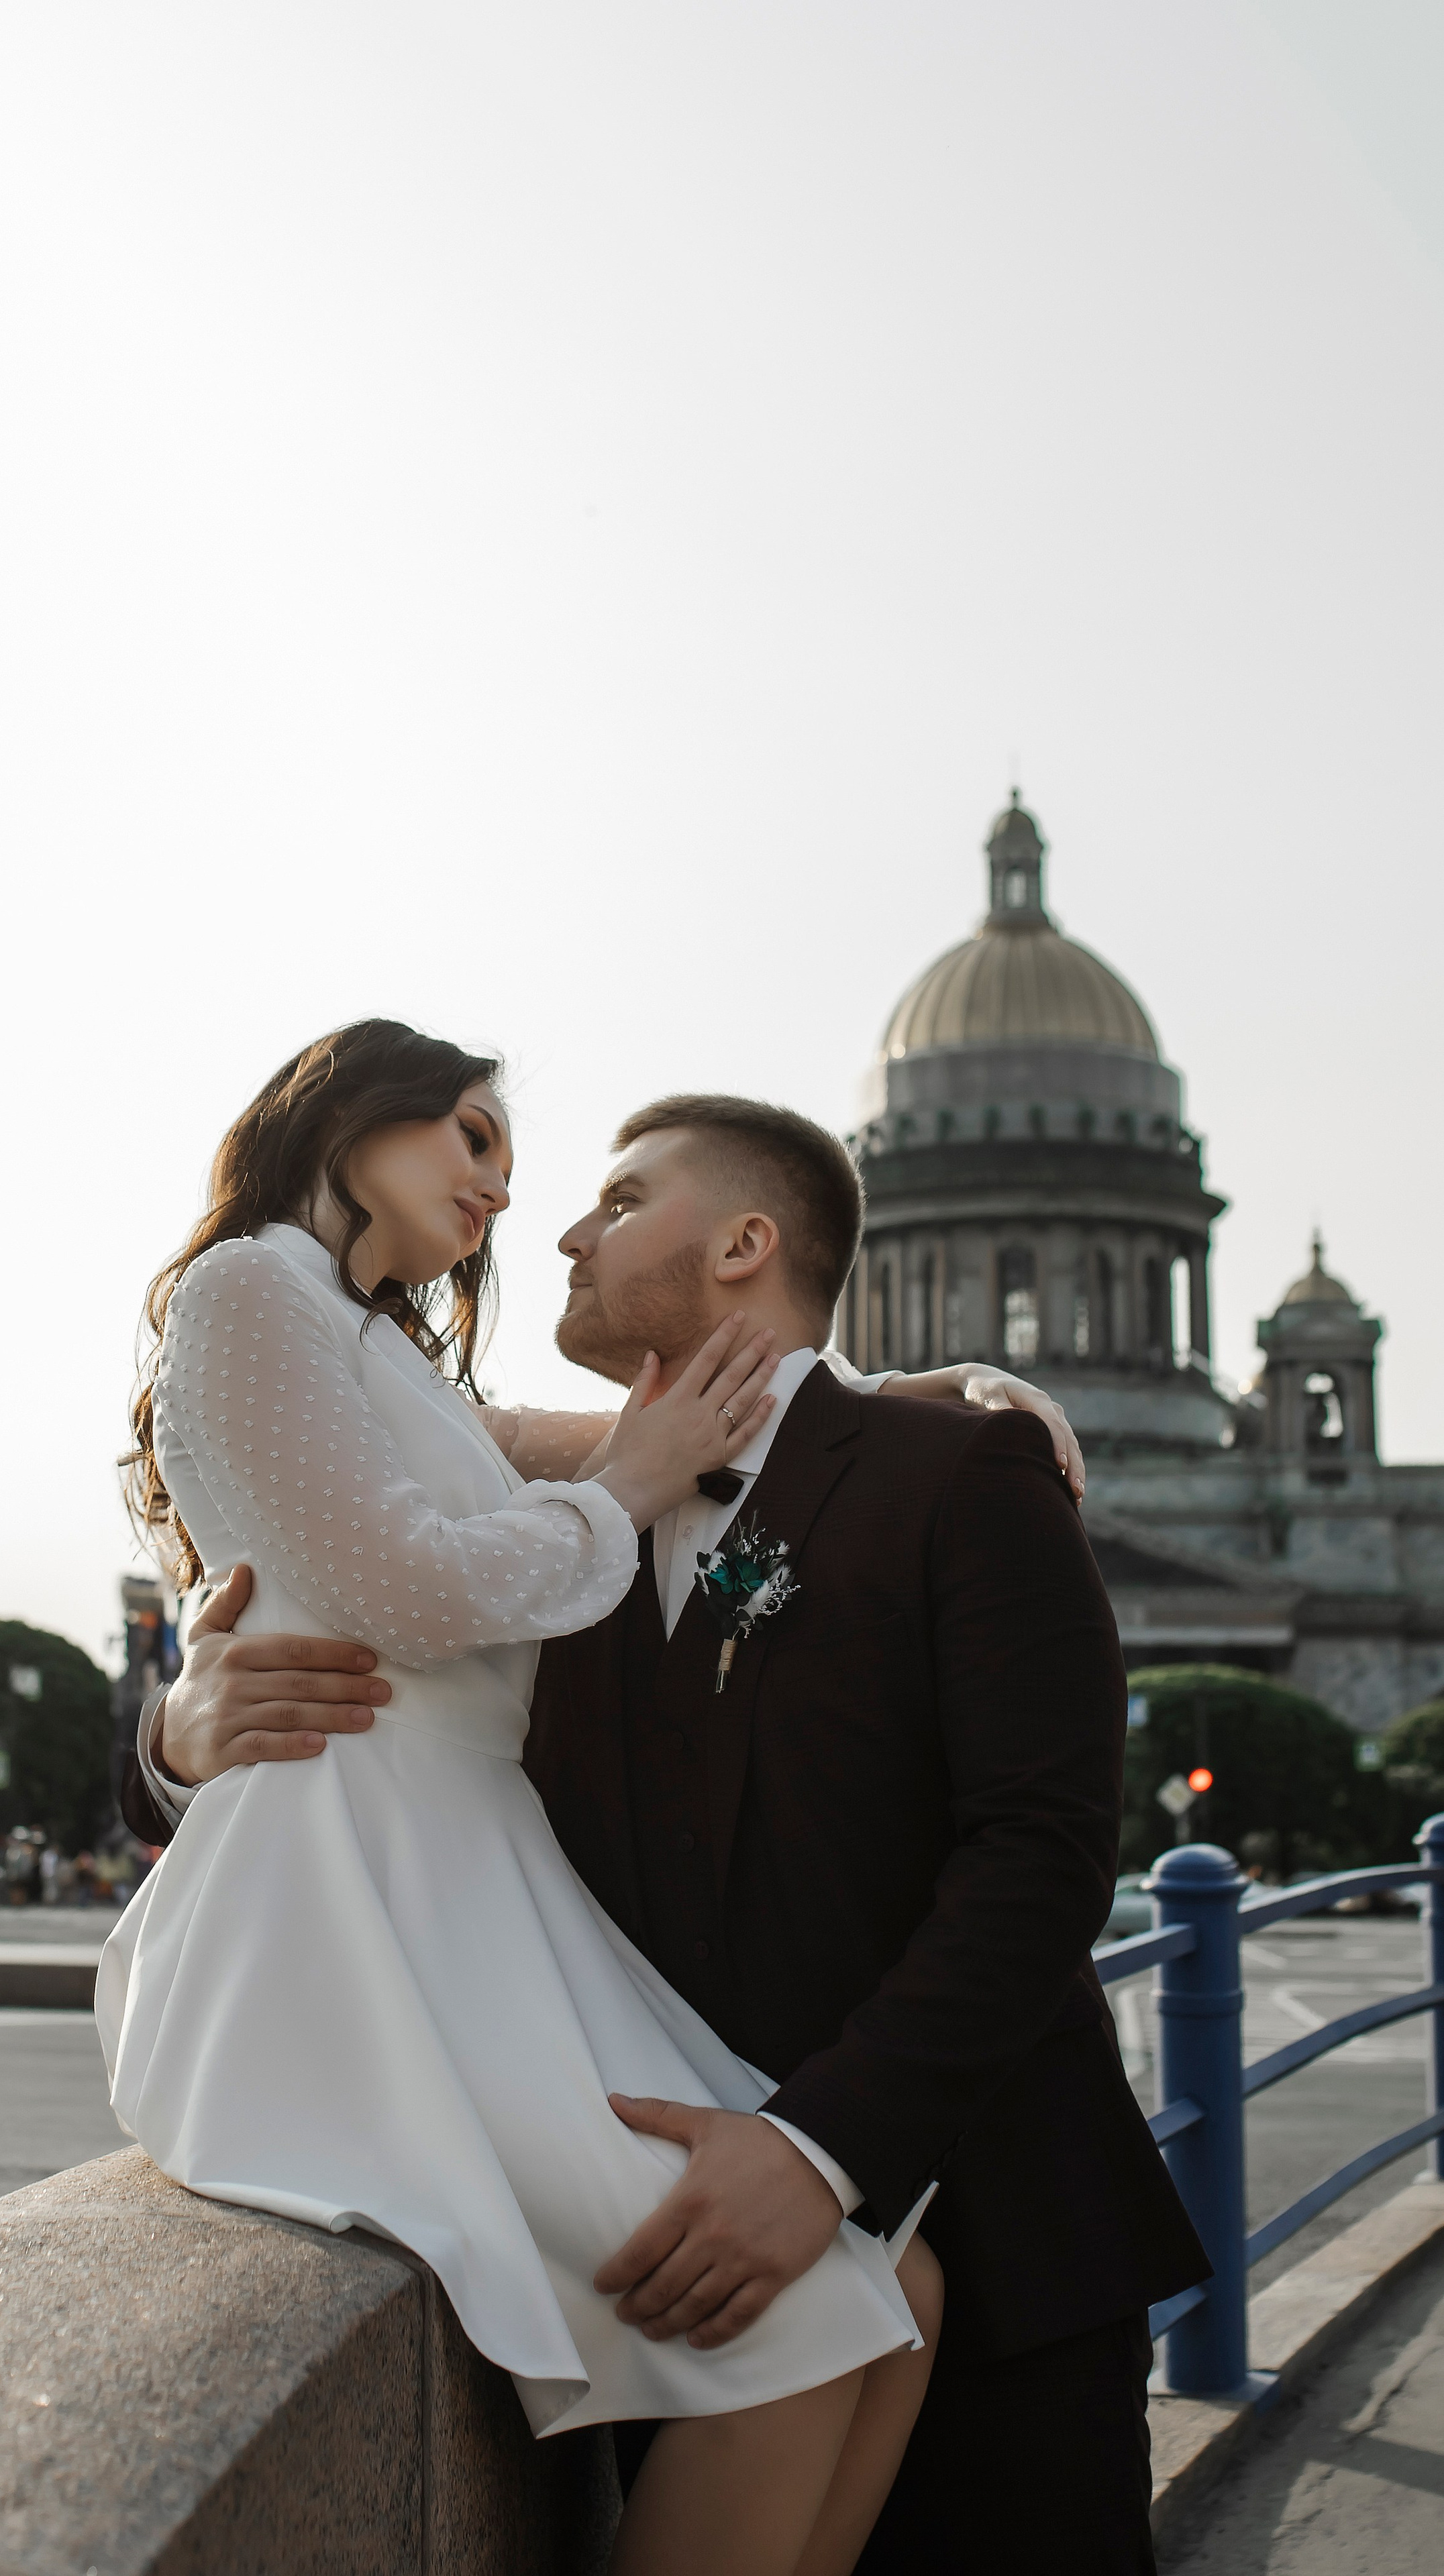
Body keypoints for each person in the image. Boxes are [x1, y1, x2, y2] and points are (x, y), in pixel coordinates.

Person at [127, 1077, 1210, 2576]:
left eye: (624, 1200)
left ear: (743, 1244)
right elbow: (357, 1623)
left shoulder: (952, 1477)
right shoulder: (555, 1527)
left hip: (979, 2232)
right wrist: (177, 1733)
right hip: (670, 2245)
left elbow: (1038, 1862)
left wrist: (817, 2150)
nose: (557, 1226)